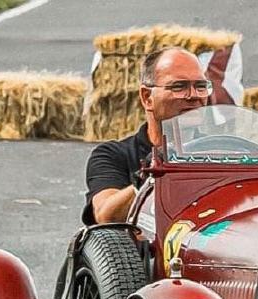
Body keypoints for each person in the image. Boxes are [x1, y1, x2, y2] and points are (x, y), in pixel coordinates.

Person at [83, 46, 212, 224]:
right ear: (147, 97)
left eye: (201, 86)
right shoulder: (113, 155)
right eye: (179, 86)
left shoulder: (221, 150)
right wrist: (155, 170)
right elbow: (106, 216)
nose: (193, 95)